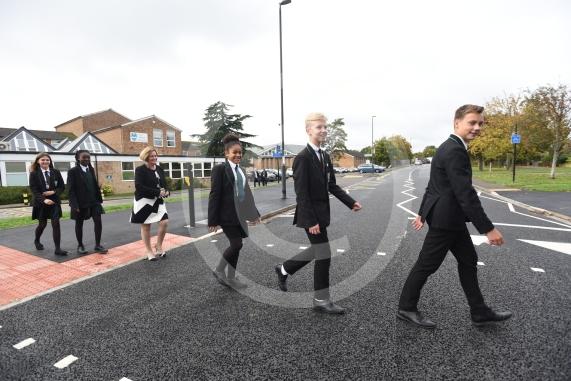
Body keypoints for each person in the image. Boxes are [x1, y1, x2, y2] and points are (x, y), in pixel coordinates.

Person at [397, 104, 512, 329]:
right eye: (472, 122)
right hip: (446, 221)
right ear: (456, 123)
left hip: (451, 219)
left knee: (468, 261)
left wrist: (422, 213)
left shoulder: (448, 147)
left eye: (480, 123)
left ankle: (479, 311)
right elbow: (465, 193)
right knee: (426, 265)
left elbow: (434, 186)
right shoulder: (454, 150)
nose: (477, 127)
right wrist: (488, 229)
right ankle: (406, 308)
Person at [274, 113, 362, 314]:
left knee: (318, 250)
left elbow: (331, 185)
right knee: (324, 254)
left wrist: (351, 202)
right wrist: (311, 220)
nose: (323, 130)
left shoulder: (324, 156)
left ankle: (284, 269)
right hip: (310, 215)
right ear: (309, 130)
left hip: (322, 214)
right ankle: (321, 300)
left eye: (325, 127)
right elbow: (301, 193)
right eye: (318, 127)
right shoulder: (303, 158)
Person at [208, 133, 261, 290]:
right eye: (234, 152)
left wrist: (254, 214)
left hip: (239, 215)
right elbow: (214, 195)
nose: (238, 155)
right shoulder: (220, 170)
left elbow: (246, 195)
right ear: (226, 154)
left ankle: (231, 277)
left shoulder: (242, 171)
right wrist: (213, 220)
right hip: (226, 215)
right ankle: (219, 270)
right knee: (236, 244)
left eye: (239, 152)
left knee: (238, 245)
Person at [130, 147, 170, 261]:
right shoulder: (140, 170)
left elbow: (164, 183)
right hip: (144, 201)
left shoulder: (160, 169)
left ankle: (158, 246)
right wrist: (158, 192)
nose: (154, 158)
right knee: (146, 226)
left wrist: (167, 191)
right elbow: (139, 186)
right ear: (146, 157)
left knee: (164, 222)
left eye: (155, 155)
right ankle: (149, 251)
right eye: (152, 156)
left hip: (158, 200)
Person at [67, 150, 107, 255]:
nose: (87, 159)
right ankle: (80, 245)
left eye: (88, 157)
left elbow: (93, 184)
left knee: (98, 222)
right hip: (80, 203)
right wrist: (74, 204)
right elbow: (70, 190)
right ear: (78, 158)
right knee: (79, 224)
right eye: (84, 157)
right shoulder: (73, 171)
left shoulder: (91, 169)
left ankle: (98, 245)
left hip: (94, 201)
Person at [29, 152, 68, 256]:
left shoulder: (56, 172)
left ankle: (58, 249)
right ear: (38, 161)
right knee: (42, 224)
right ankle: (37, 240)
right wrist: (44, 200)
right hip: (41, 203)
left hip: (54, 201)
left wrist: (54, 192)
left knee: (56, 223)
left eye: (47, 160)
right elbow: (34, 190)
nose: (45, 161)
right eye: (43, 160)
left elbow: (61, 187)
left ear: (50, 161)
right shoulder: (34, 173)